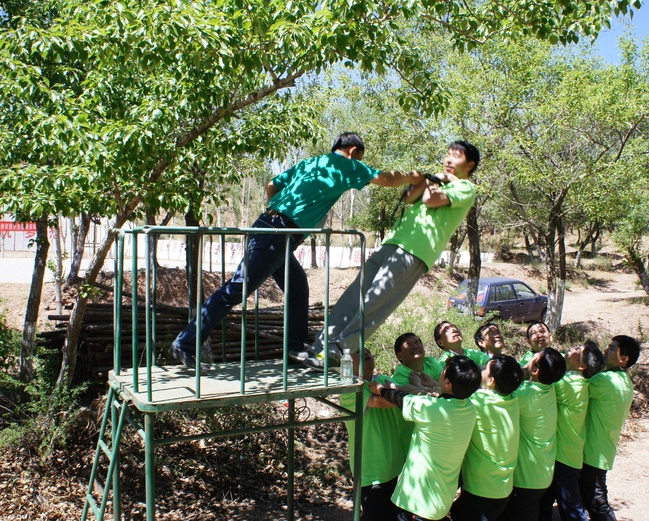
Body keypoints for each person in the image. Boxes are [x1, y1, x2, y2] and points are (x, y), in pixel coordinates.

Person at [170, 132, 423, 371]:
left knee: (298, 286)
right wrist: (416, 177)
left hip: (273, 228)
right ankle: (185, 342)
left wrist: (274, 212)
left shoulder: (311, 163)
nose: (360, 165)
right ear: (353, 151)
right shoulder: (346, 164)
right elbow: (387, 179)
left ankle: (293, 348)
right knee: (238, 288)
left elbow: (272, 184)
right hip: (279, 234)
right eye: (360, 158)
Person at [296, 140, 480, 370]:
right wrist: (426, 180)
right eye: (448, 154)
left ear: (470, 164)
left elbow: (430, 200)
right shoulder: (439, 182)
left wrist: (438, 181)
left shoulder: (464, 188)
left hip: (415, 252)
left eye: (456, 156)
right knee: (352, 298)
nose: (449, 159)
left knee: (373, 303)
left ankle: (336, 353)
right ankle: (318, 348)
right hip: (392, 243)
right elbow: (409, 197)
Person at [369, 355, 482, 521]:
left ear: (448, 383)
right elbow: (439, 397)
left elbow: (402, 399)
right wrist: (421, 385)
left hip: (418, 502)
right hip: (442, 498)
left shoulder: (431, 408)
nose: (440, 372)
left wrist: (381, 389)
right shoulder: (469, 408)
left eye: (444, 371)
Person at [452, 354, 525, 521]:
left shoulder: (478, 400)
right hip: (502, 487)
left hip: (482, 490)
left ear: (491, 381)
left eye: (485, 369)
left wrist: (423, 385)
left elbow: (451, 394)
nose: (481, 371)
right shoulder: (513, 398)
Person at [539, 340, 606, 521]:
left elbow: (540, 379)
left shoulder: (570, 383)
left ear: (582, 365)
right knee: (544, 502)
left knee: (572, 509)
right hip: (566, 453)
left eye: (578, 349)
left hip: (565, 457)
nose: (572, 348)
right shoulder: (574, 380)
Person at [340, 348, 408, 520]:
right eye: (358, 351)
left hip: (393, 466)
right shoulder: (349, 389)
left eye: (368, 350)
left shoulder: (382, 380)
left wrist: (419, 388)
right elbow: (383, 402)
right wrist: (395, 393)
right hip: (371, 471)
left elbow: (403, 388)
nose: (365, 352)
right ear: (346, 361)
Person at [500, 347, 565, 521]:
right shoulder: (549, 388)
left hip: (525, 477)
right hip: (543, 472)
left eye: (533, 357)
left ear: (536, 370)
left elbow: (498, 396)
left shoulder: (524, 395)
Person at [579, 335, 640, 521]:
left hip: (592, 452)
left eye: (612, 349)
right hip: (604, 449)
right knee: (593, 496)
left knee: (597, 502)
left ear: (624, 359)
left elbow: (577, 388)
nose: (606, 351)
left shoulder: (604, 381)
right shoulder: (625, 382)